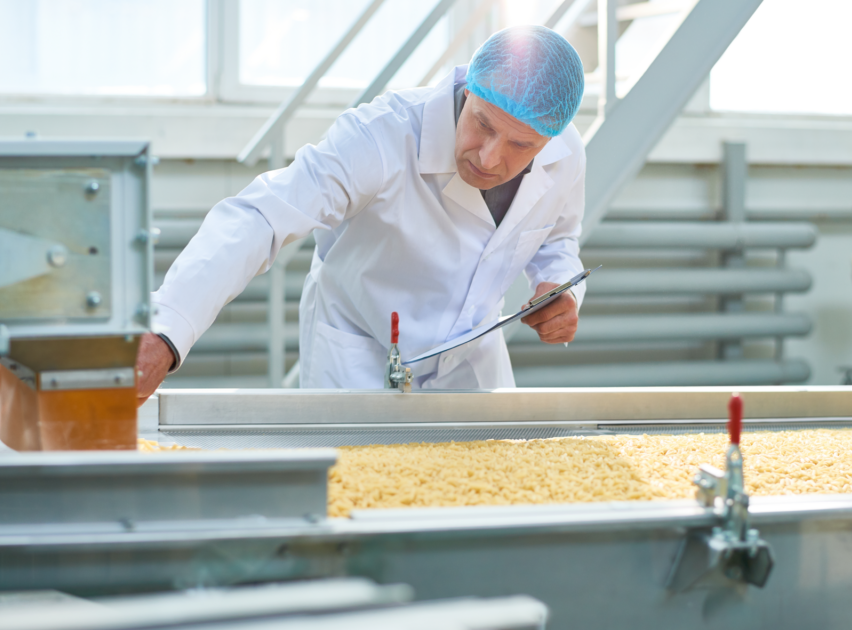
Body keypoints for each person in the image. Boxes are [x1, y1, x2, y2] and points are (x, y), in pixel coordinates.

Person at [137, 25, 588, 400]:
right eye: (482, 124)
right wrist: (167, 327)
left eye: (520, 145)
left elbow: (557, 240)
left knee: (482, 498)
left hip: (471, 368)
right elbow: (262, 216)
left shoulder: (567, 156)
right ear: (467, 90)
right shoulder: (380, 136)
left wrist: (559, 288)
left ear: (550, 138)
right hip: (359, 362)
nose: (489, 158)